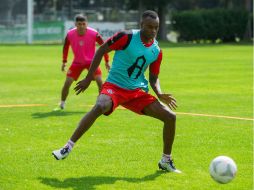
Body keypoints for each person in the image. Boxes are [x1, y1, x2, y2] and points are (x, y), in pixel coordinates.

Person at [52, 10, 181, 173]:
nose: (153, 31)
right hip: (114, 87)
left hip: (137, 92)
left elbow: (154, 78)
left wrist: (160, 93)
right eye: (149, 27)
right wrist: (88, 77)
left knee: (170, 117)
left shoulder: (157, 51)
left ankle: (166, 161)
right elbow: (101, 50)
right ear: (141, 25)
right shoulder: (125, 37)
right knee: (100, 105)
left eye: (156, 27)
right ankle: (67, 148)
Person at [54, 14, 110, 111]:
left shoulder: (94, 33)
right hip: (77, 63)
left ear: (86, 24)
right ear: (75, 24)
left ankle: (100, 105)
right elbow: (65, 47)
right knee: (67, 83)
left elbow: (104, 46)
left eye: (83, 24)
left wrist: (107, 61)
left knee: (100, 82)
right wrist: (64, 61)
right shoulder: (70, 34)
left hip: (92, 63)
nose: (81, 26)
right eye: (79, 24)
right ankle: (62, 104)